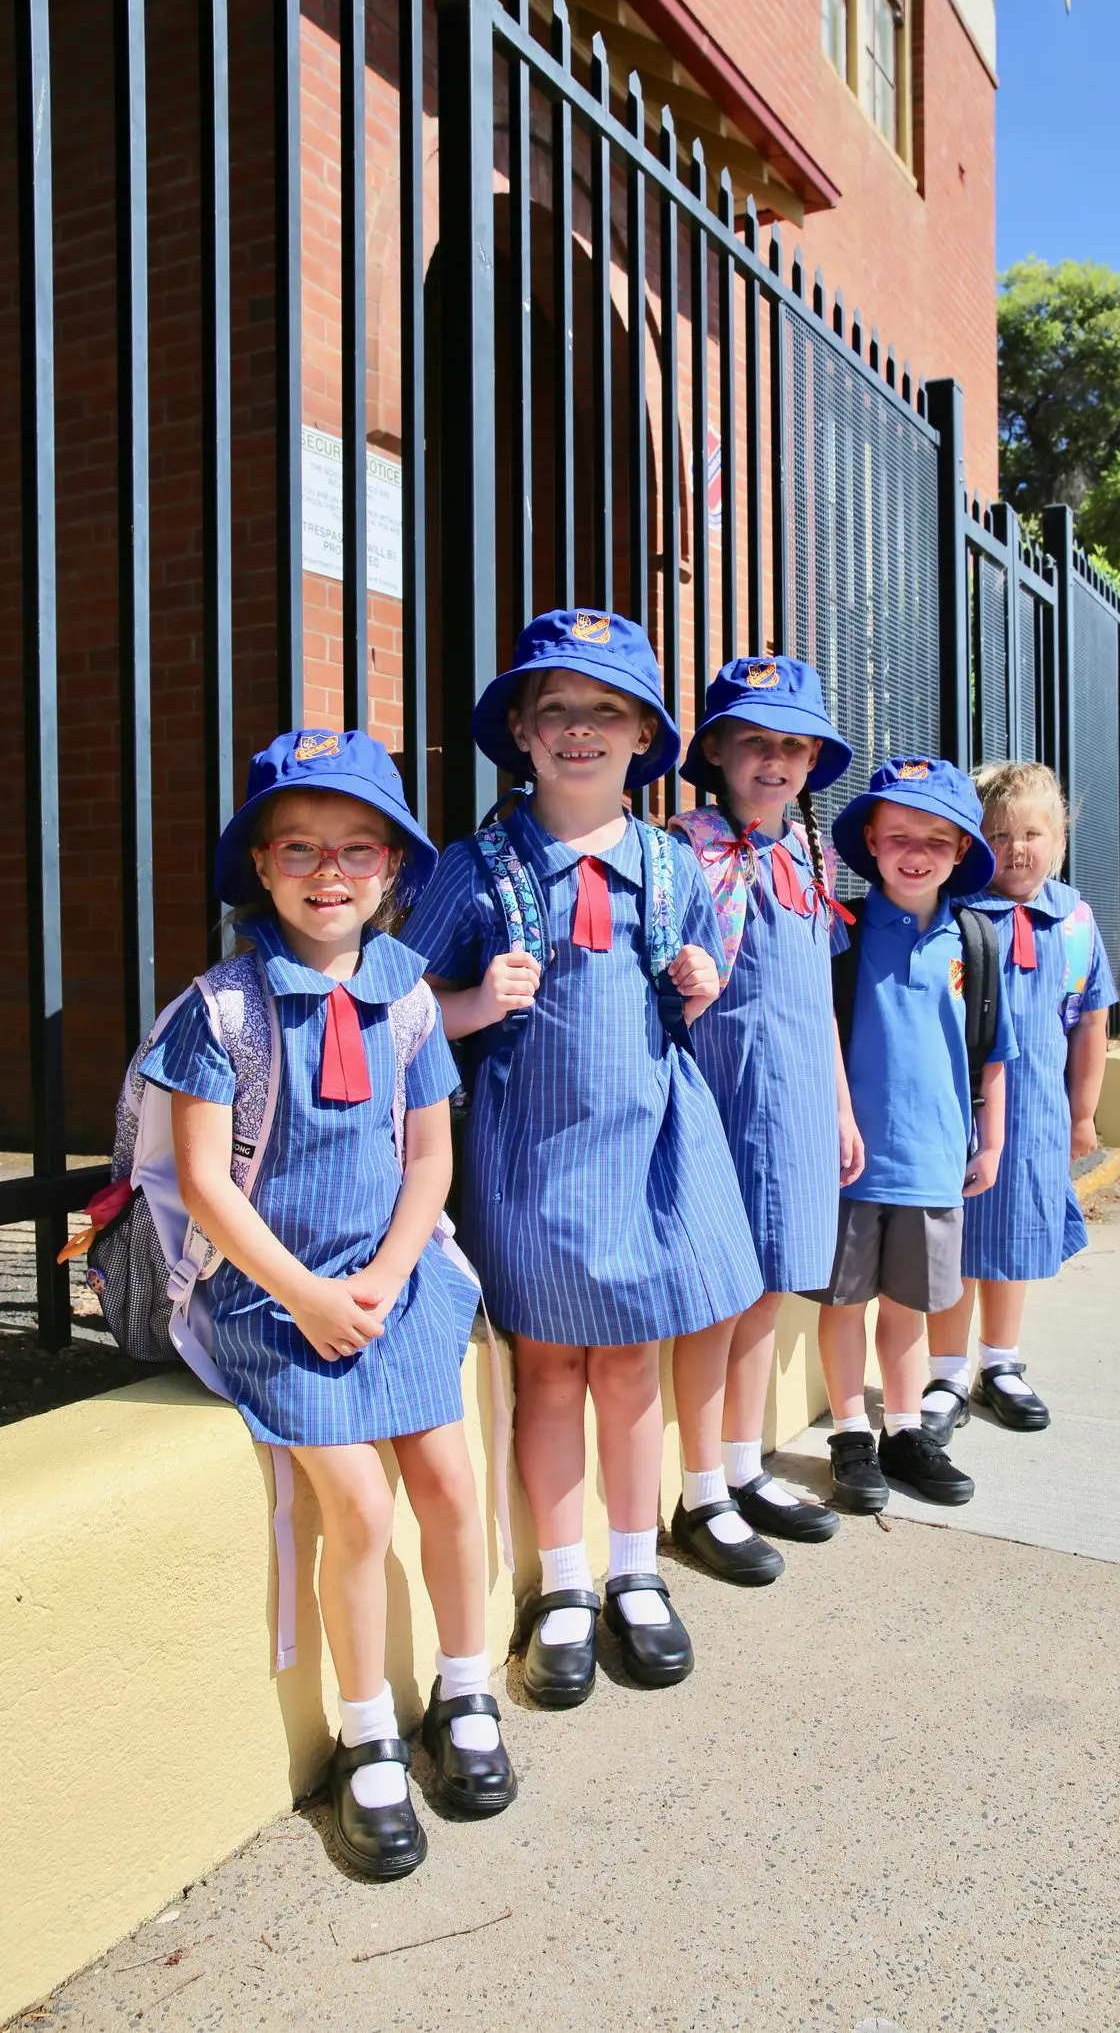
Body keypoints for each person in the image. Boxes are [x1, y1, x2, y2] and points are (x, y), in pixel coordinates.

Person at [143, 728, 514, 1883]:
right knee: (356, 1501)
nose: (328, 871)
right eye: (298, 846)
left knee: (448, 1481)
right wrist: (305, 1295)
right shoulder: (224, 1012)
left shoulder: (406, 997)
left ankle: (462, 1691)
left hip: (390, 1283)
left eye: (358, 848)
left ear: (394, 870)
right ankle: (367, 1737)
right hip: (271, 1302)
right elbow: (207, 1180)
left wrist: (391, 1277)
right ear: (258, 865)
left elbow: (428, 1163)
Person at [400, 608, 763, 1708]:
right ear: (518, 727)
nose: (578, 730)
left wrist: (696, 989)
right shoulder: (475, 869)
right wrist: (466, 1001)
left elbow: (683, 1004)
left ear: (644, 736)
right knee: (550, 1371)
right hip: (530, 1158)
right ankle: (562, 1586)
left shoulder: (670, 862)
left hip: (647, 1148)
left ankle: (634, 1570)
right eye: (553, 708)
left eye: (606, 710)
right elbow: (393, 1003)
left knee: (627, 1366)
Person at [668, 657, 862, 1578]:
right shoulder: (683, 850)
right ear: (715, 750)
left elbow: (819, 993)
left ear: (814, 758)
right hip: (720, 1098)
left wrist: (841, 1104)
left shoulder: (811, 856)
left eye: (793, 744)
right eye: (755, 742)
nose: (775, 760)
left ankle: (744, 1466)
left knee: (769, 1288)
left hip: (794, 1108)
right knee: (719, 1298)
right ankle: (699, 1487)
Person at [812, 756, 1017, 1515]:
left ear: (963, 849)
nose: (917, 851)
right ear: (870, 838)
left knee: (908, 1305)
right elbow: (822, 1030)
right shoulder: (845, 930)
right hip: (854, 1161)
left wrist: (990, 1143)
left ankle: (903, 1429)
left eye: (938, 837)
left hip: (936, 1161)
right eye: (899, 834)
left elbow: (993, 1053)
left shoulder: (974, 940)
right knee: (845, 1303)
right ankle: (849, 1435)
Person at [921, 759, 1116, 1440]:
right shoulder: (957, 916)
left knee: (1013, 1243)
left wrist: (1084, 1111)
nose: (1017, 847)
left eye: (1032, 832)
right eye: (998, 833)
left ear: (1059, 837)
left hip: (1035, 1118)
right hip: (958, 1115)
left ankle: (1000, 1364)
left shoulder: (1076, 922)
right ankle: (945, 1371)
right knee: (954, 1245)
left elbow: (1092, 1022)